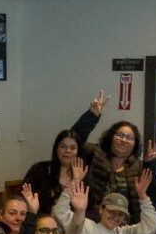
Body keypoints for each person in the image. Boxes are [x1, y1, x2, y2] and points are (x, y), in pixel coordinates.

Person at [19, 94, 103, 226]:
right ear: (56, 149)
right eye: (63, 147)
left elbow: (92, 208)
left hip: (74, 230)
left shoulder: (84, 175)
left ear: (78, 151)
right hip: (41, 228)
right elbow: (23, 200)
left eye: (72, 148)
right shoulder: (39, 169)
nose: (67, 151)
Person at [84, 119, 156, 234]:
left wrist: (150, 165)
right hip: (93, 228)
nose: (124, 140)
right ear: (111, 137)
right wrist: (92, 116)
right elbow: (74, 140)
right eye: (120, 135)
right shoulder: (95, 156)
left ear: (135, 143)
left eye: (129, 137)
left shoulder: (139, 167)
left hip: (126, 233)